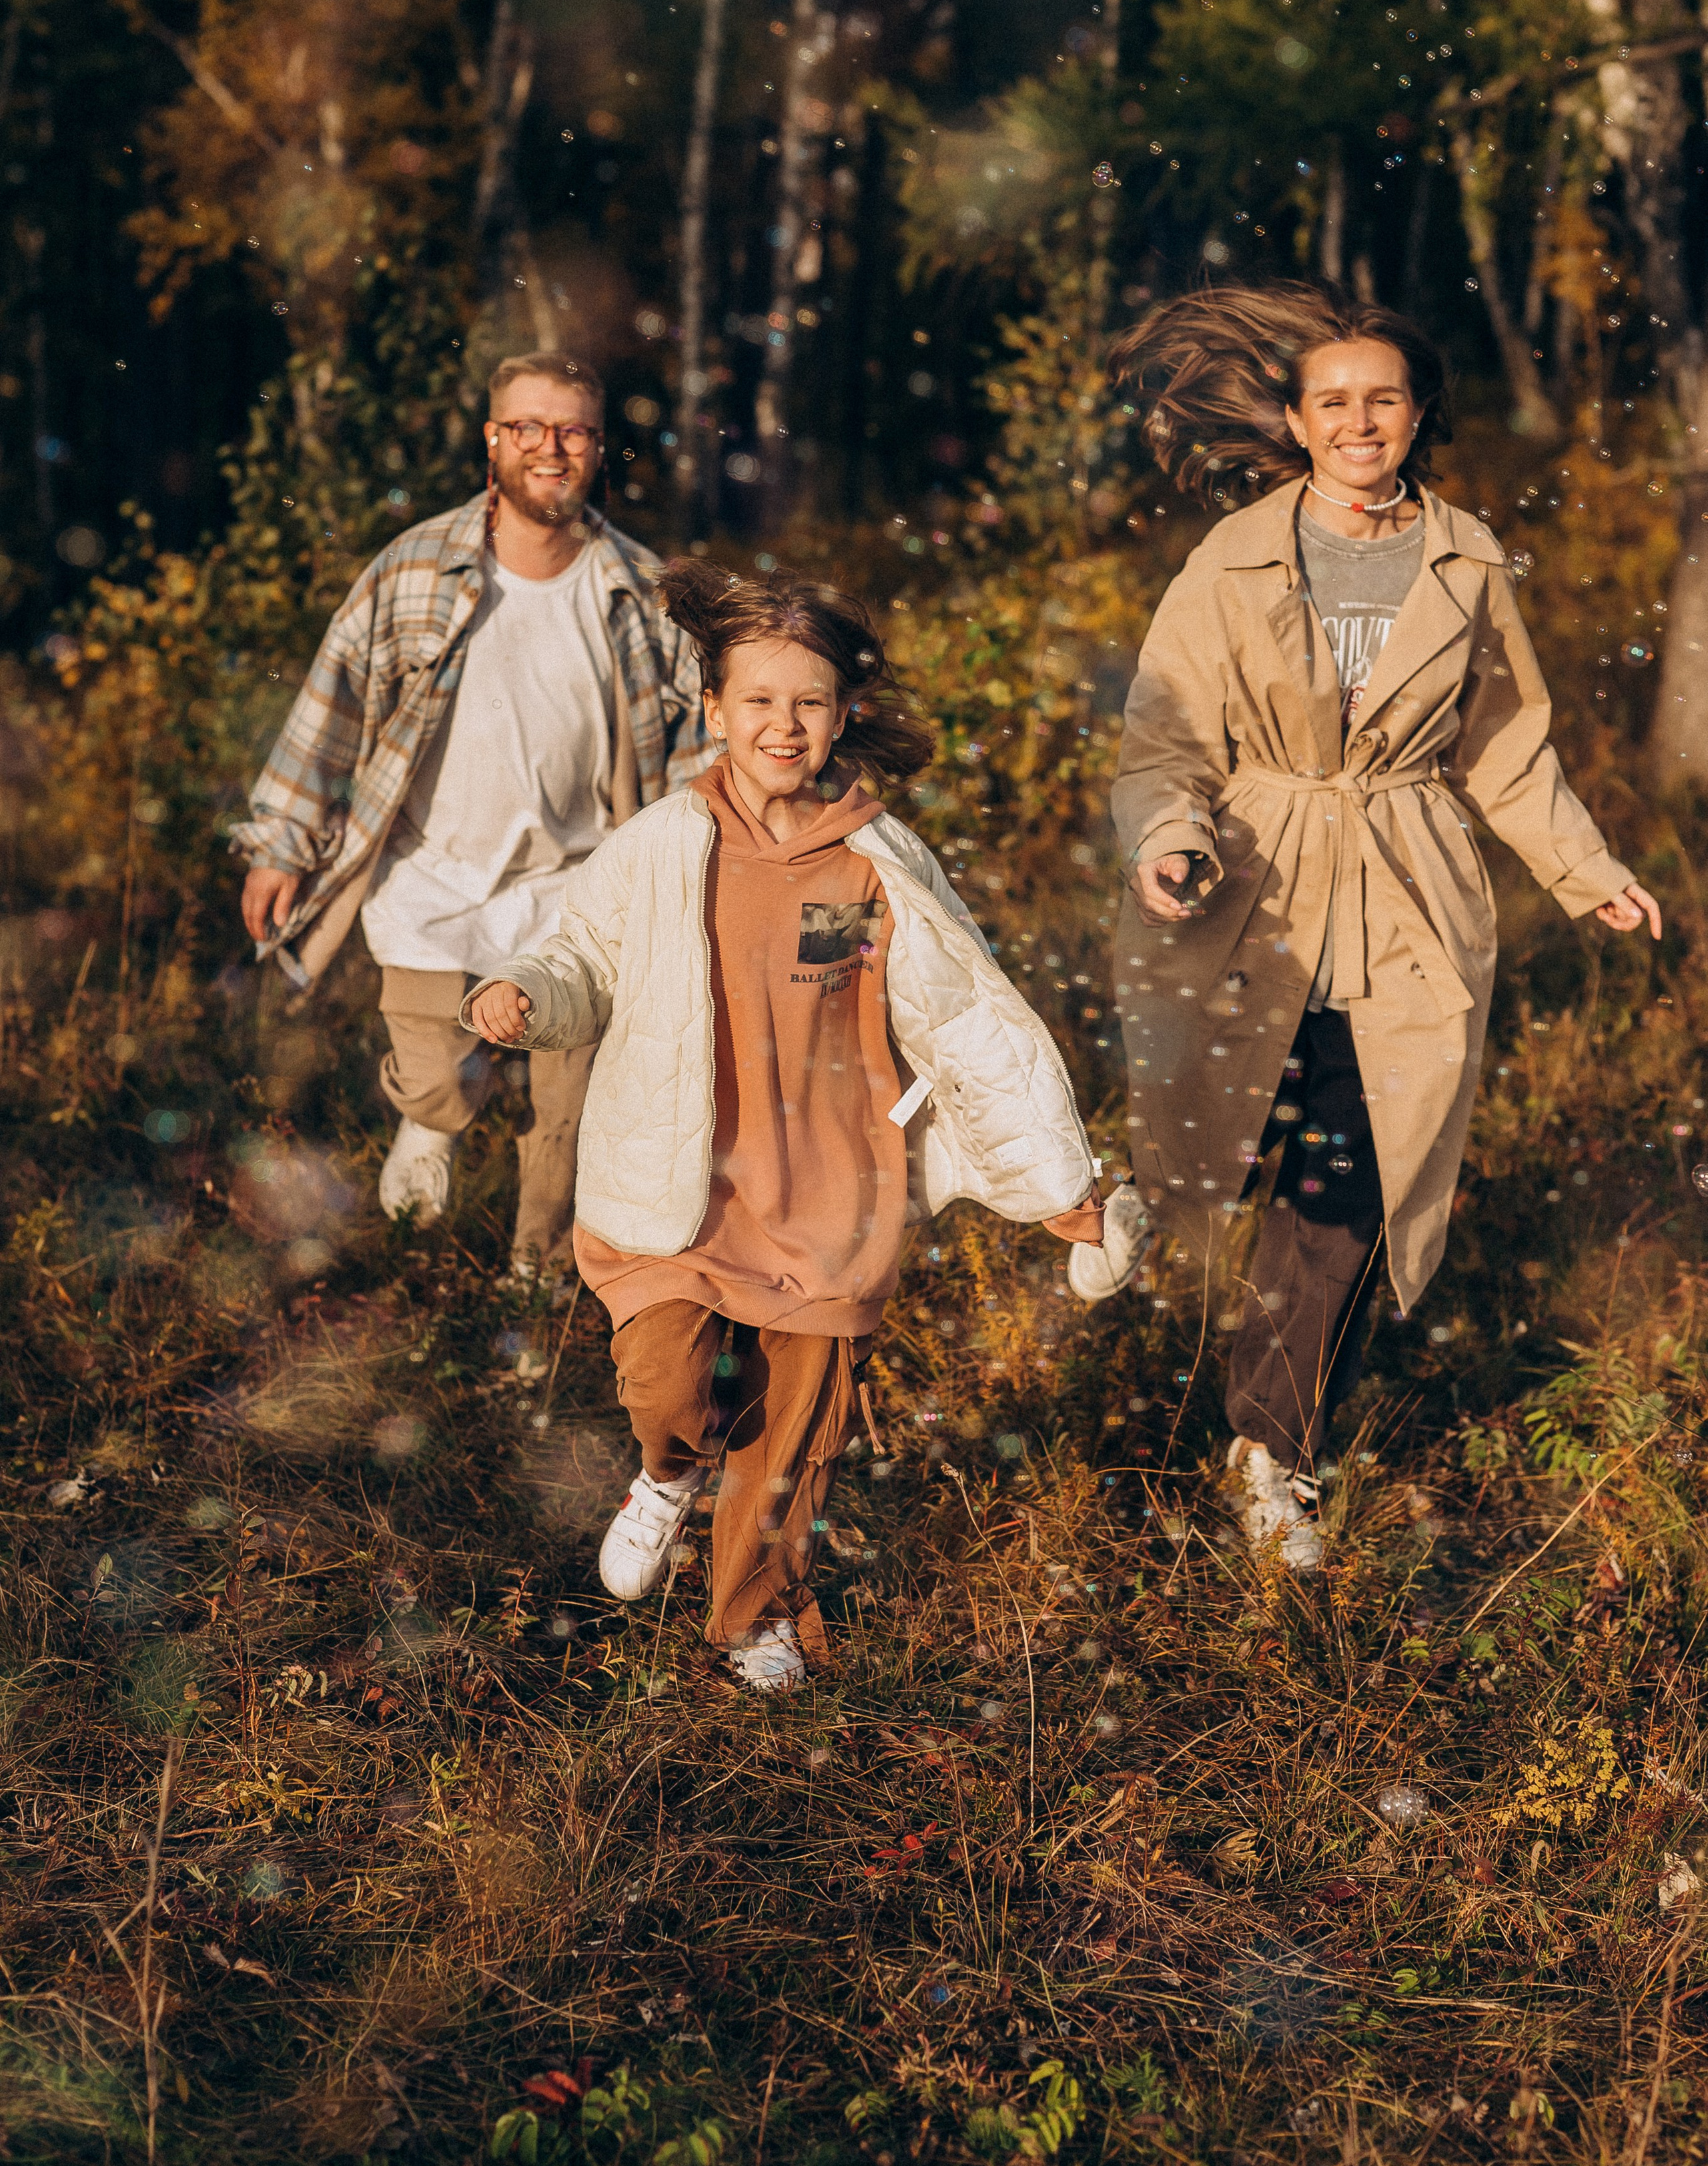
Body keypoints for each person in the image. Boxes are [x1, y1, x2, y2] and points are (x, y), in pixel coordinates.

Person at [1086, 282, 1659, 1566]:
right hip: (1255, 886)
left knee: (1352, 1175)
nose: (1358, 422)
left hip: (1406, 892)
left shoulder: (1466, 557)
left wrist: (1583, 868)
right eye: (1332, 401)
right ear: (1292, 419)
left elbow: (1509, 745)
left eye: (1381, 400)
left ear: (1415, 414)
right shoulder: (1230, 557)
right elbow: (1166, 739)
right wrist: (1169, 836)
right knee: (1224, 1147)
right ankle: (1112, 1216)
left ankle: (1269, 1450)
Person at [464, 563, 1104, 1691]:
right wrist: (527, 994)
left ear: (842, 712)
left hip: (828, 1192)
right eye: (758, 700)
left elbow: (964, 1019)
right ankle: (666, 1470)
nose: (783, 725)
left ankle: (752, 1618)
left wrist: (1055, 1178)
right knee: (671, 1383)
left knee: (796, 1427)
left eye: (809, 702)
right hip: (681, 1181)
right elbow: (584, 958)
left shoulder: (877, 859)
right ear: (714, 710)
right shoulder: (664, 841)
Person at [233, 351, 709, 1279]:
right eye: (527, 427)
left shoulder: (640, 594)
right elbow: (332, 705)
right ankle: (429, 1126)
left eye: (572, 430)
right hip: (428, 882)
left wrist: (703, 860)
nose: (550, 448)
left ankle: (537, 1268)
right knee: (437, 1074)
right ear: (492, 441)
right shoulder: (413, 570)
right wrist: (282, 842)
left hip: (575, 891)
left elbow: (698, 739)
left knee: (569, 1101)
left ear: (599, 449)